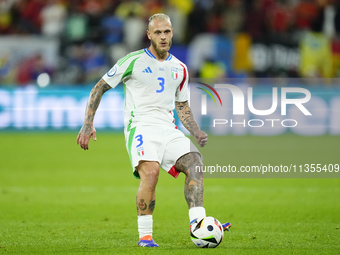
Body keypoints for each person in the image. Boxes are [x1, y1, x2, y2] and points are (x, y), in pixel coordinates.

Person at [76, 13, 231, 247]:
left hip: (168, 128)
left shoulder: (180, 68)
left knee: (195, 162)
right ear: (149, 35)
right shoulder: (133, 60)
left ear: (172, 33)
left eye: (167, 32)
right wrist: (88, 123)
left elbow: (182, 104)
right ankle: (145, 236)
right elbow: (99, 87)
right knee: (151, 174)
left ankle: (197, 224)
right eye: (157, 32)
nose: (163, 36)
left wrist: (195, 130)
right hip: (140, 127)